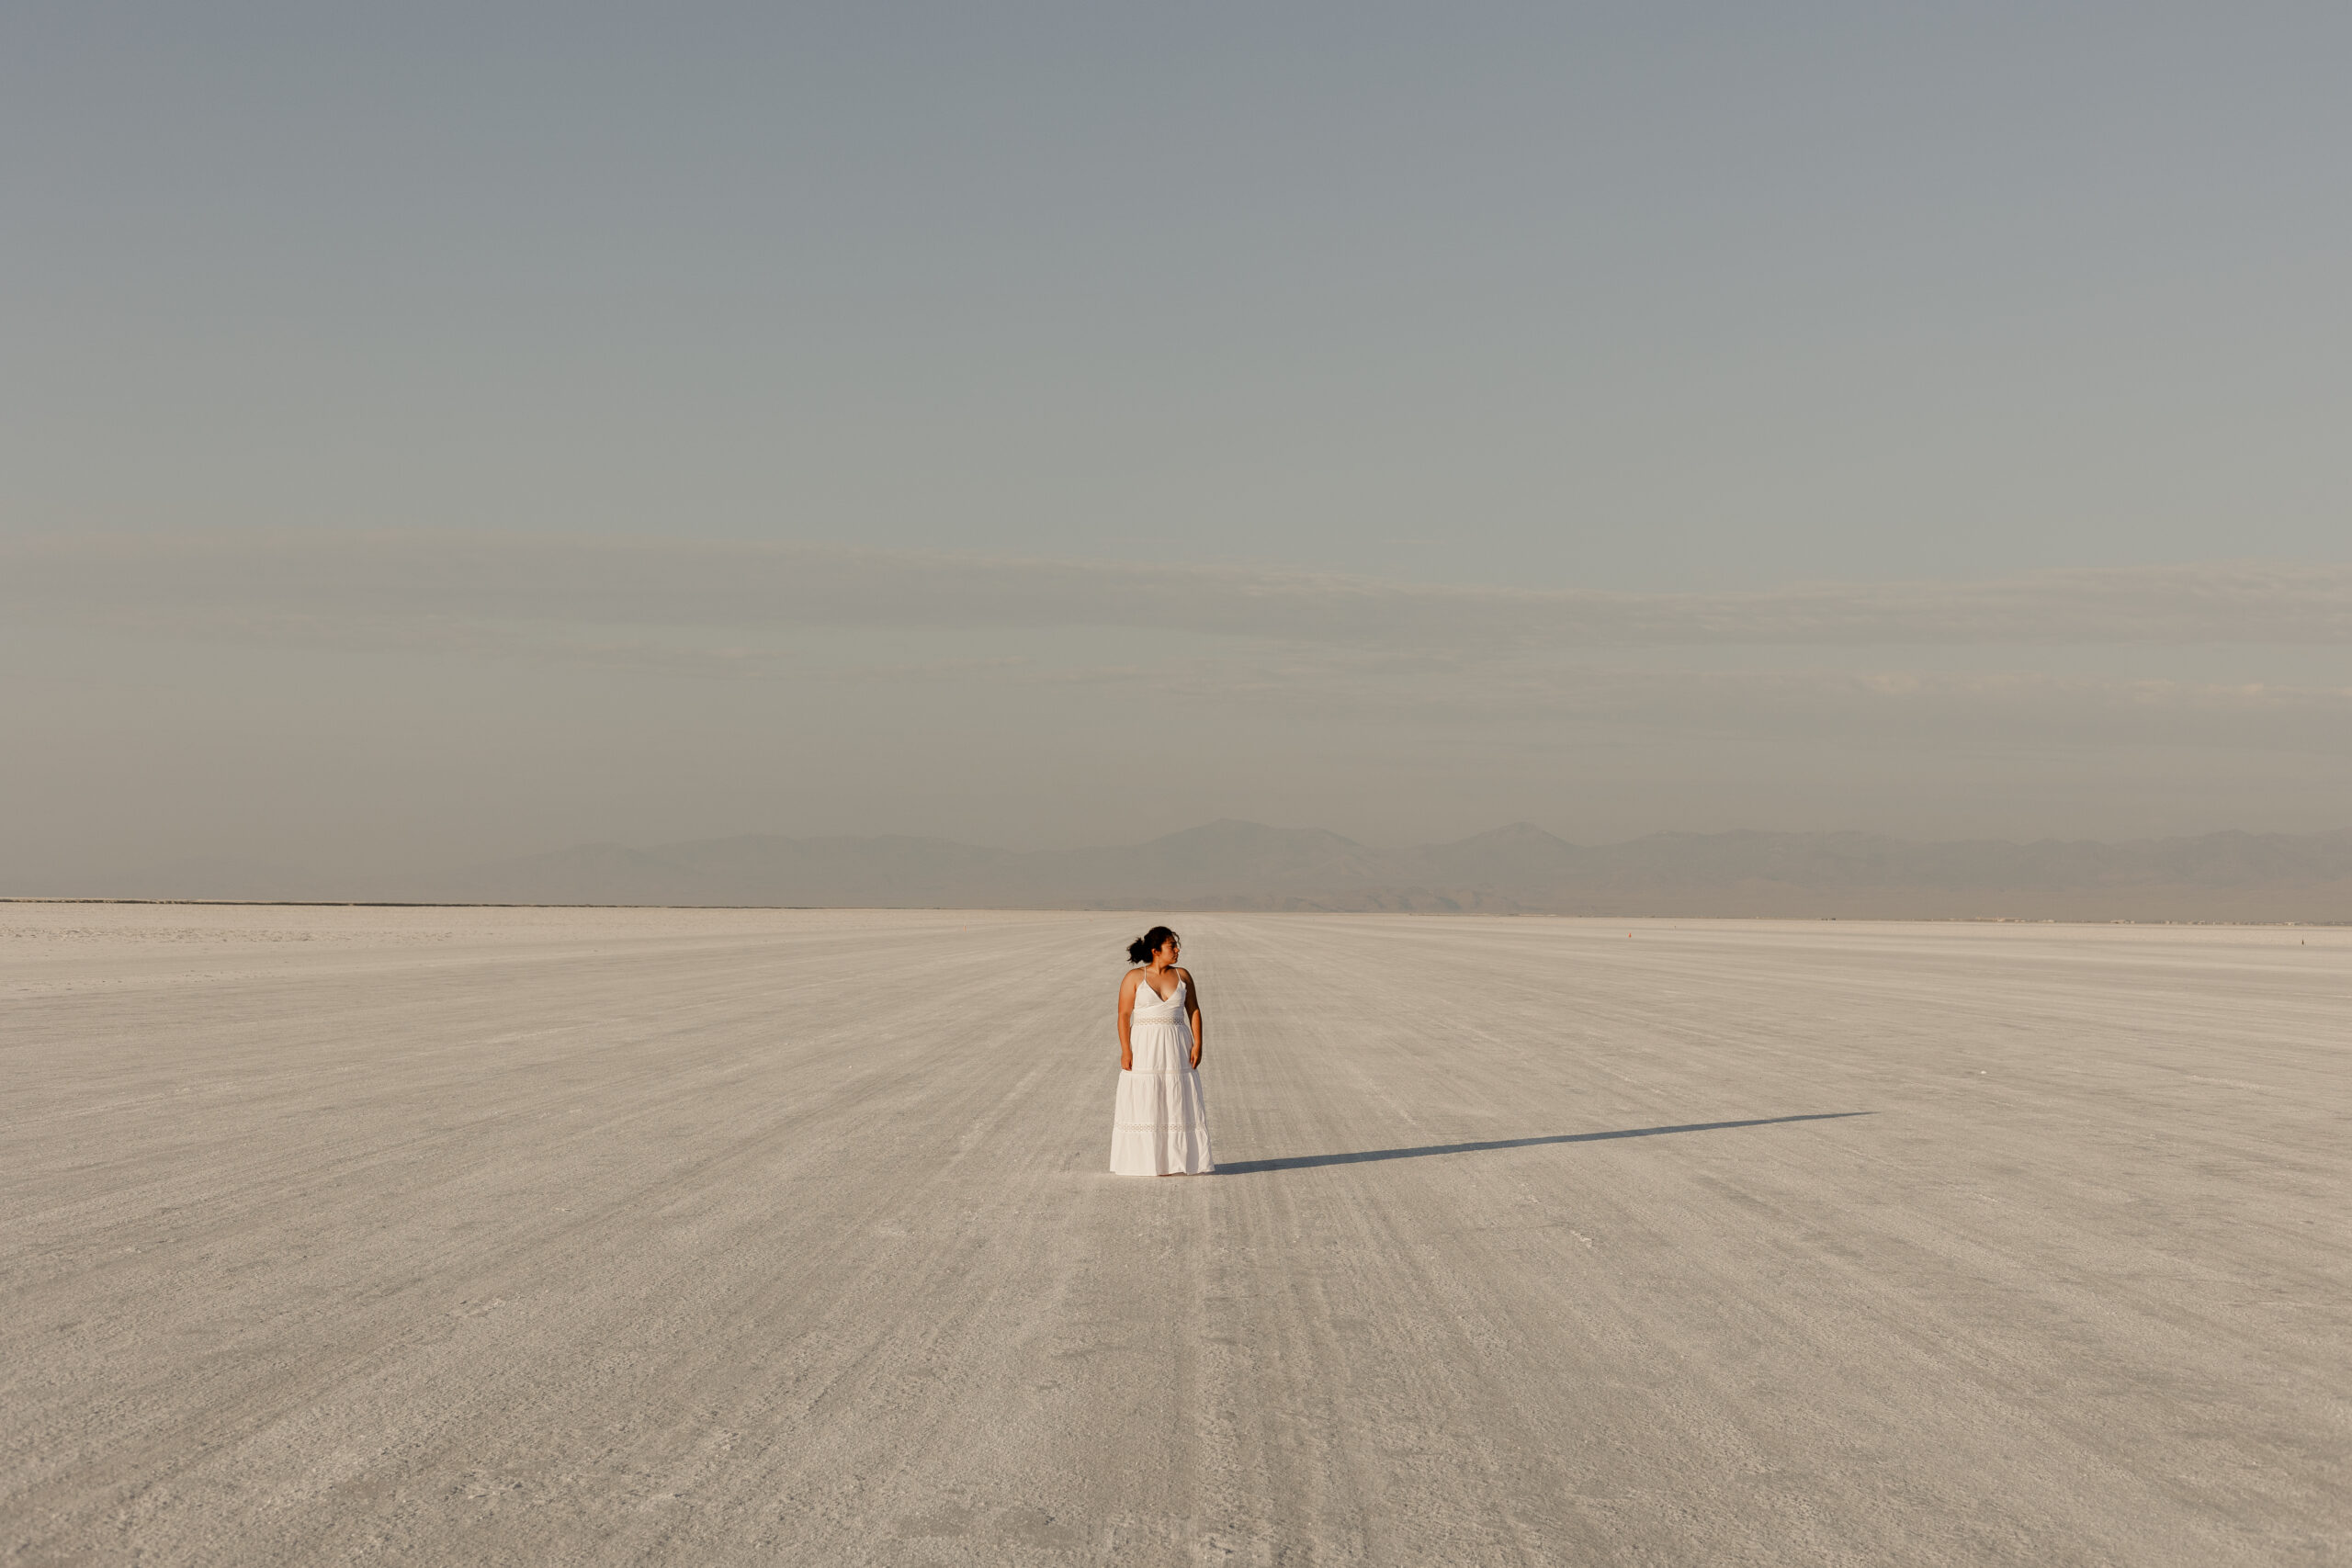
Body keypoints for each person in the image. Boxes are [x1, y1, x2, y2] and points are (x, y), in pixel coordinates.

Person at [1109, 925, 1213, 1176]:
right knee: (1148, 1097)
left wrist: (1198, 1043)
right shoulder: (1134, 978)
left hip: (1177, 1045)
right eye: (1171, 946)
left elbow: (1194, 1011)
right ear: (1156, 951)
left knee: (1175, 1098)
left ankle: (1177, 1161)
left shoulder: (1183, 976)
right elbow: (1124, 1015)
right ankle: (1144, 1161)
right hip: (1145, 1046)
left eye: (1176, 945)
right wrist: (1126, 1051)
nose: (1177, 950)